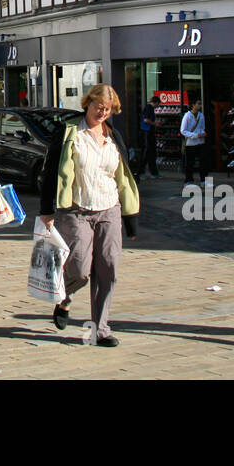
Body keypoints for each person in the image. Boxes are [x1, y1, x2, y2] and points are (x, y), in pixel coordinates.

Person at [39, 83, 139, 347]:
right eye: (98, 107)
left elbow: (123, 177)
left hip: (109, 208)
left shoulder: (113, 136)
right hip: (76, 210)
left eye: (107, 110)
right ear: (88, 103)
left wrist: (131, 219)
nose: (102, 113)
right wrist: (46, 210)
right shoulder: (70, 132)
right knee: (81, 268)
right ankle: (64, 297)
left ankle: (100, 330)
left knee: (108, 266)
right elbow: (51, 172)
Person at [180, 97, 207, 187]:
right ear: (193, 105)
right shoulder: (187, 116)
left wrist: (202, 133)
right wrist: (195, 135)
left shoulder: (201, 115)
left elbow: (202, 127)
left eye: (200, 103)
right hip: (190, 143)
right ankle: (188, 181)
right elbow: (183, 130)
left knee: (203, 162)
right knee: (190, 163)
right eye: (198, 103)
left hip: (200, 142)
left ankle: (204, 181)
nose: (200, 105)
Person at [136, 94, 160, 180]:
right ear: (156, 102)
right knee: (148, 151)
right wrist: (154, 123)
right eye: (158, 104)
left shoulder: (148, 108)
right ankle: (143, 171)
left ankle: (149, 171)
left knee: (149, 152)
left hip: (148, 132)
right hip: (147, 132)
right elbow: (146, 120)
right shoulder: (149, 108)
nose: (158, 106)